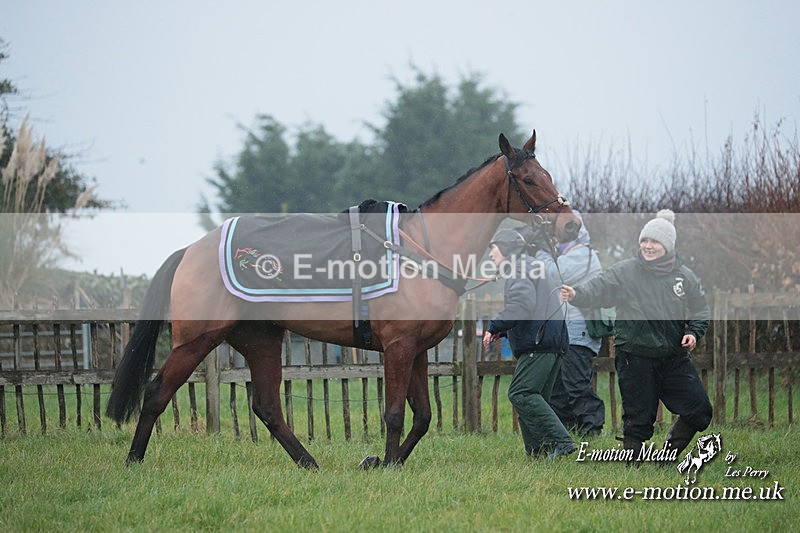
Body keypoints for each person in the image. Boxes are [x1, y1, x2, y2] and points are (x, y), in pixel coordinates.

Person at [559, 209, 712, 463]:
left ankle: (666, 457)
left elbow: (700, 309)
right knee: (638, 419)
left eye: (655, 242)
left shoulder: (684, 277)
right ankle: (633, 464)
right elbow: (598, 287)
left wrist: (693, 332)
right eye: (645, 241)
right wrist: (576, 294)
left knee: (699, 410)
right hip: (635, 356)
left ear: (668, 245)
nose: (648, 246)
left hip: (673, 357)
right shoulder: (625, 272)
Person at [482, 228, 577, 459]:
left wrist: (495, 326)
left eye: (493, 249)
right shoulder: (529, 265)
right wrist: (504, 332)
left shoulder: (519, 268)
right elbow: (534, 308)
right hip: (551, 341)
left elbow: (523, 304)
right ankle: (538, 452)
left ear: (505, 249)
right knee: (534, 397)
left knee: (521, 393)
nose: (491, 256)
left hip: (540, 344)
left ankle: (562, 442)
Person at [532, 212, 606, 438]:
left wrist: (541, 252)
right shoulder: (570, 254)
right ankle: (568, 431)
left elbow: (553, 274)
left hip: (577, 331)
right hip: (566, 331)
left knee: (575, 384)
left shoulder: (583, 255)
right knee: (558, 387)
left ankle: (591, 429)